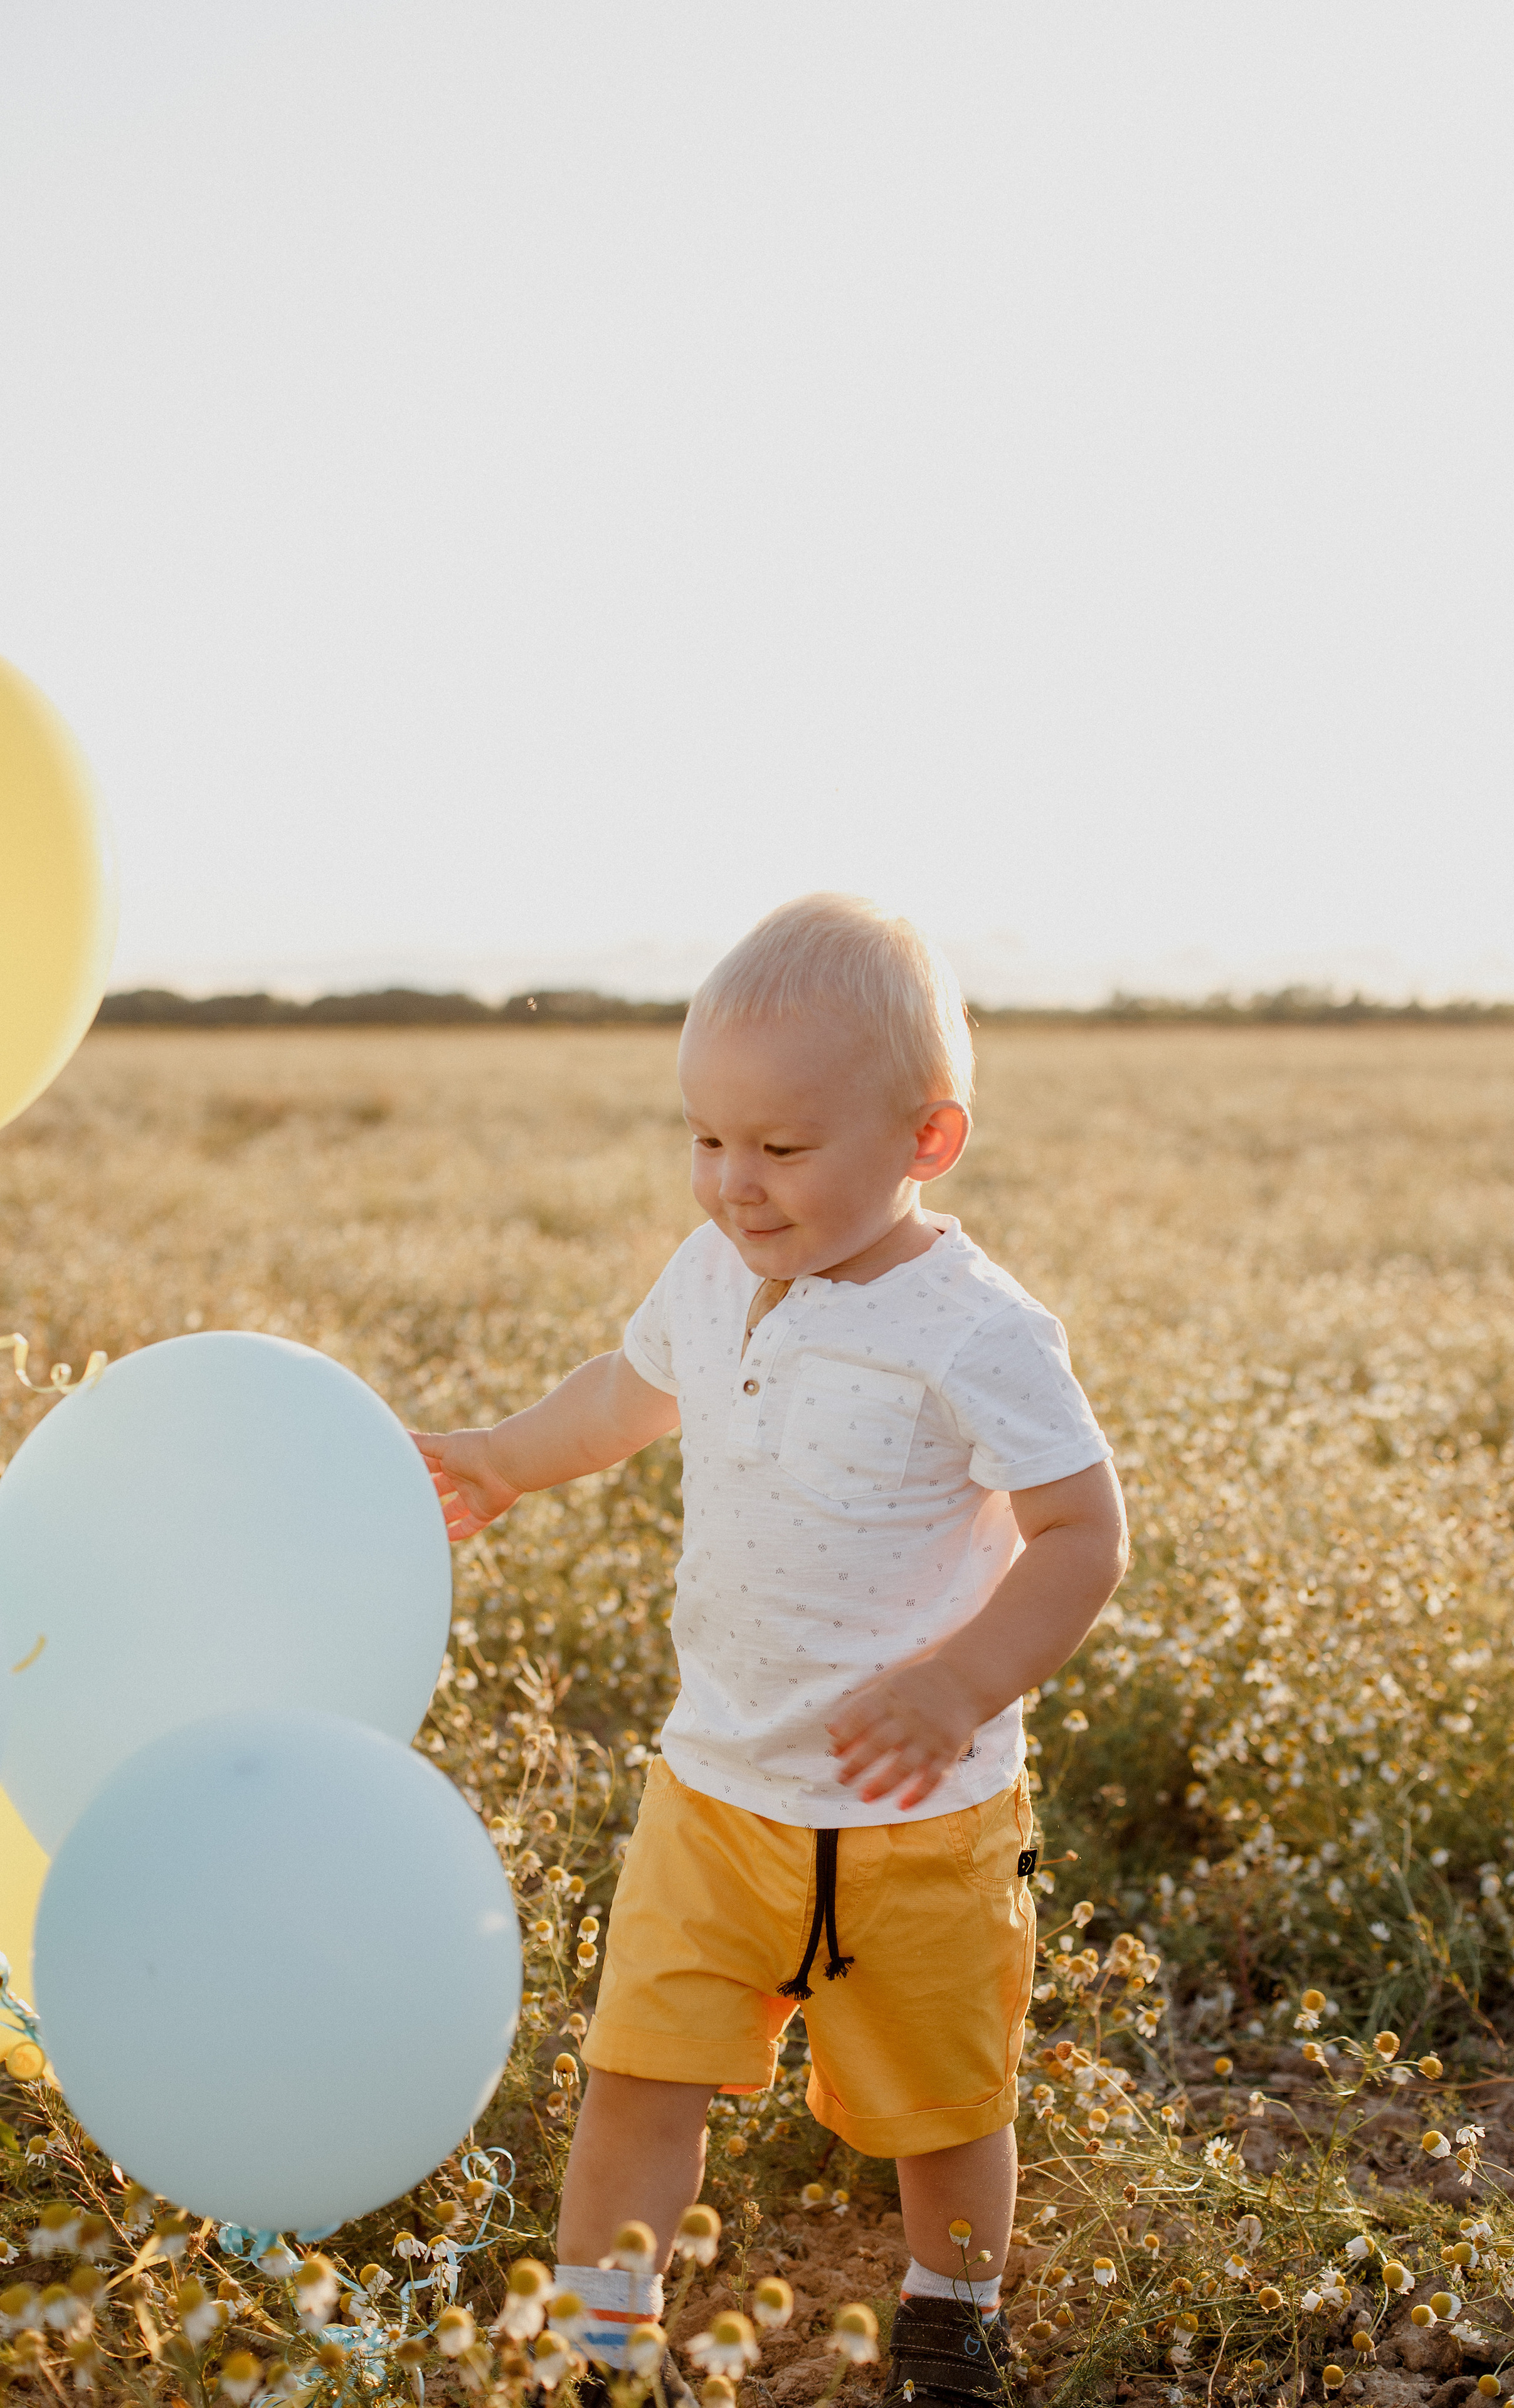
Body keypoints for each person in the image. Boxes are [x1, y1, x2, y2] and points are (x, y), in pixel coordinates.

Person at [413, 894, 1128, 2405]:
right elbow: (626, 1394)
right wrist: (497, 1458)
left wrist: (956, 1685)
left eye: (781, 1150)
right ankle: (603, 2339)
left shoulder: (974, 1328)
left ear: (925, 1142)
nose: (732, 1184)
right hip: (717, 1786)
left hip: (916, 1819)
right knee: (636, 2076)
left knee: (943, 2108)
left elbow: (1082, 1534)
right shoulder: (708, 1271)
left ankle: (948, 2318)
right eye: (705, 1139)